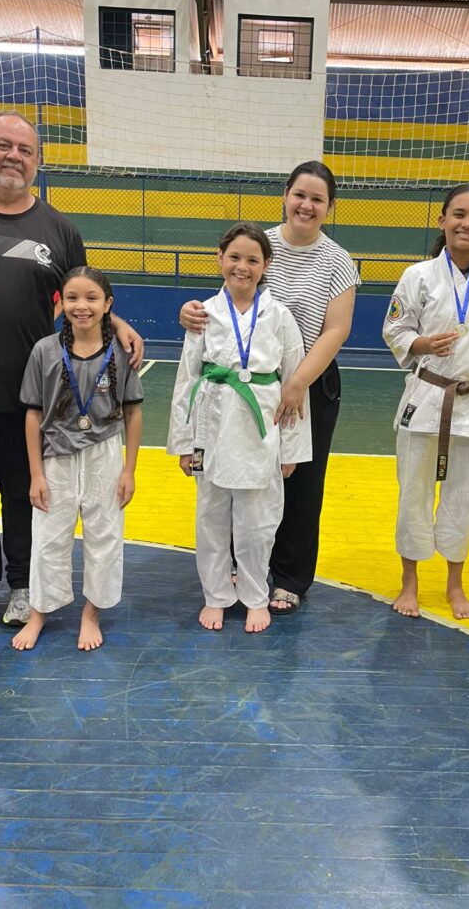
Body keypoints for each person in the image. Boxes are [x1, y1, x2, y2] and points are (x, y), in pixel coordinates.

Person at [0, 110, 143, 639]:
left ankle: (22, 586)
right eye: (3, 145)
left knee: (27, 496)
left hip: (35, 399)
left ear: (38, 162)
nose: (14, 156)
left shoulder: (59, 229)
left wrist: (120, 324)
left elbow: (85, 295)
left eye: (25, 150)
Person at [180, 161, 359, 615]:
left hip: (309, 380)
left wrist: (297, 383)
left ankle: (291, 576)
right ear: (285, 194)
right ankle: (241, 569)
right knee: (239, 475)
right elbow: (231, 301)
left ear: (330, 207)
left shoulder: (338, 260)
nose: (307, 205)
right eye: (300, 194)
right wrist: (191, 313)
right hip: (253, 385)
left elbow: (336, 330)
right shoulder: (261, 244)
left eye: (318, 199)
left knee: (301, 482)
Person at [383, 184, 469, 621]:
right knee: (414, 494)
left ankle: (454, 583)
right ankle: (410, 582)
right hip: (428, 398)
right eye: (459, 214)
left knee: (464, 498)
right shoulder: (418, 275)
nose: (467, 223)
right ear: (442, 220)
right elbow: (394, 330)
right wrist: (423, 343)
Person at [169, 223, 312, 632]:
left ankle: (254, 596)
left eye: (252, 259)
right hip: (211, 425)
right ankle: (216, 595)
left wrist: (292, 449)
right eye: (234, 257)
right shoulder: (203, 314)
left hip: (261, 426)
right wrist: (184, 442)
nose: (242, 267)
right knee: (211, 519)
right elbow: (187, 378)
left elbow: (294, 387)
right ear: (220, 258)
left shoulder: (280, 316)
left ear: (266, 264)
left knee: (258, 524)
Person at [12, 267, 143, 651]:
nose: (81, 306)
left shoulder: (120, 352)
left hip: (105, 455)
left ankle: (91, 614)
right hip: (56, 456)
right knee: (48, 538)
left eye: (91, 298)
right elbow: (33, 414)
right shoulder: (45, 350)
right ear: (61, 302)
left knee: (104, 536)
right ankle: (39, 613)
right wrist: (36, 474)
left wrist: (129, 470)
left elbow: (133, 412)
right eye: (72, 298)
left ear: (107, 304)